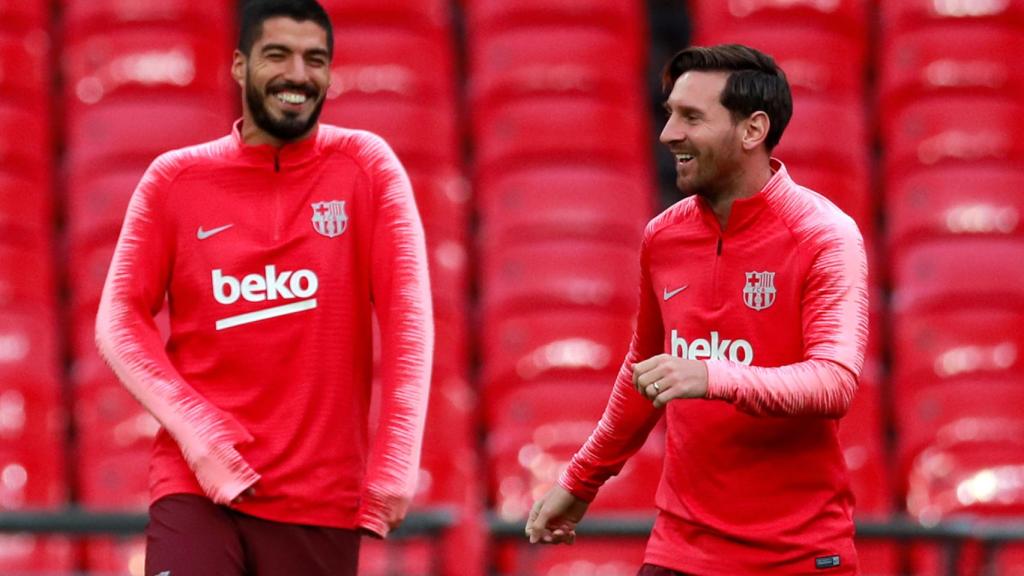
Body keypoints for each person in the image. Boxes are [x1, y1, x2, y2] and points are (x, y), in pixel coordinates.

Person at [94, 1, 434, 574]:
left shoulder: (367, 167)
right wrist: (200, 437)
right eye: (277, 55)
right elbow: (119, 318)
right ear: (238, 65)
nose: (298, 75)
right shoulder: (174, 179)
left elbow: (408, 319)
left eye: (315, 60)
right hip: (197, 486)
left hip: (319, 499)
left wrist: (395, 462)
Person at [525, 44, 869, 575]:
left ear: (752, 130)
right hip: (681, 549)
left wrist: (713, 375)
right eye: (669, 114)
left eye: (690, 117)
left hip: (797, 554)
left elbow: (834, 381)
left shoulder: (825, 236)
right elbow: (643, 373)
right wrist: (580, 480)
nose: (668, 135)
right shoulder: (664, 236)